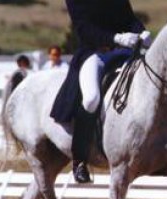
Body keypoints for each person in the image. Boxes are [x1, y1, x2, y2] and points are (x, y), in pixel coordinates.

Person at [50, 0, 151, 183]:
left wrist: (141, 32)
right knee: (91, 99)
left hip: (125, 52)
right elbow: (84, 30)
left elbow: (129, 18)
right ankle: (80, 159)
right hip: (95, 53)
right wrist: (116, 38)